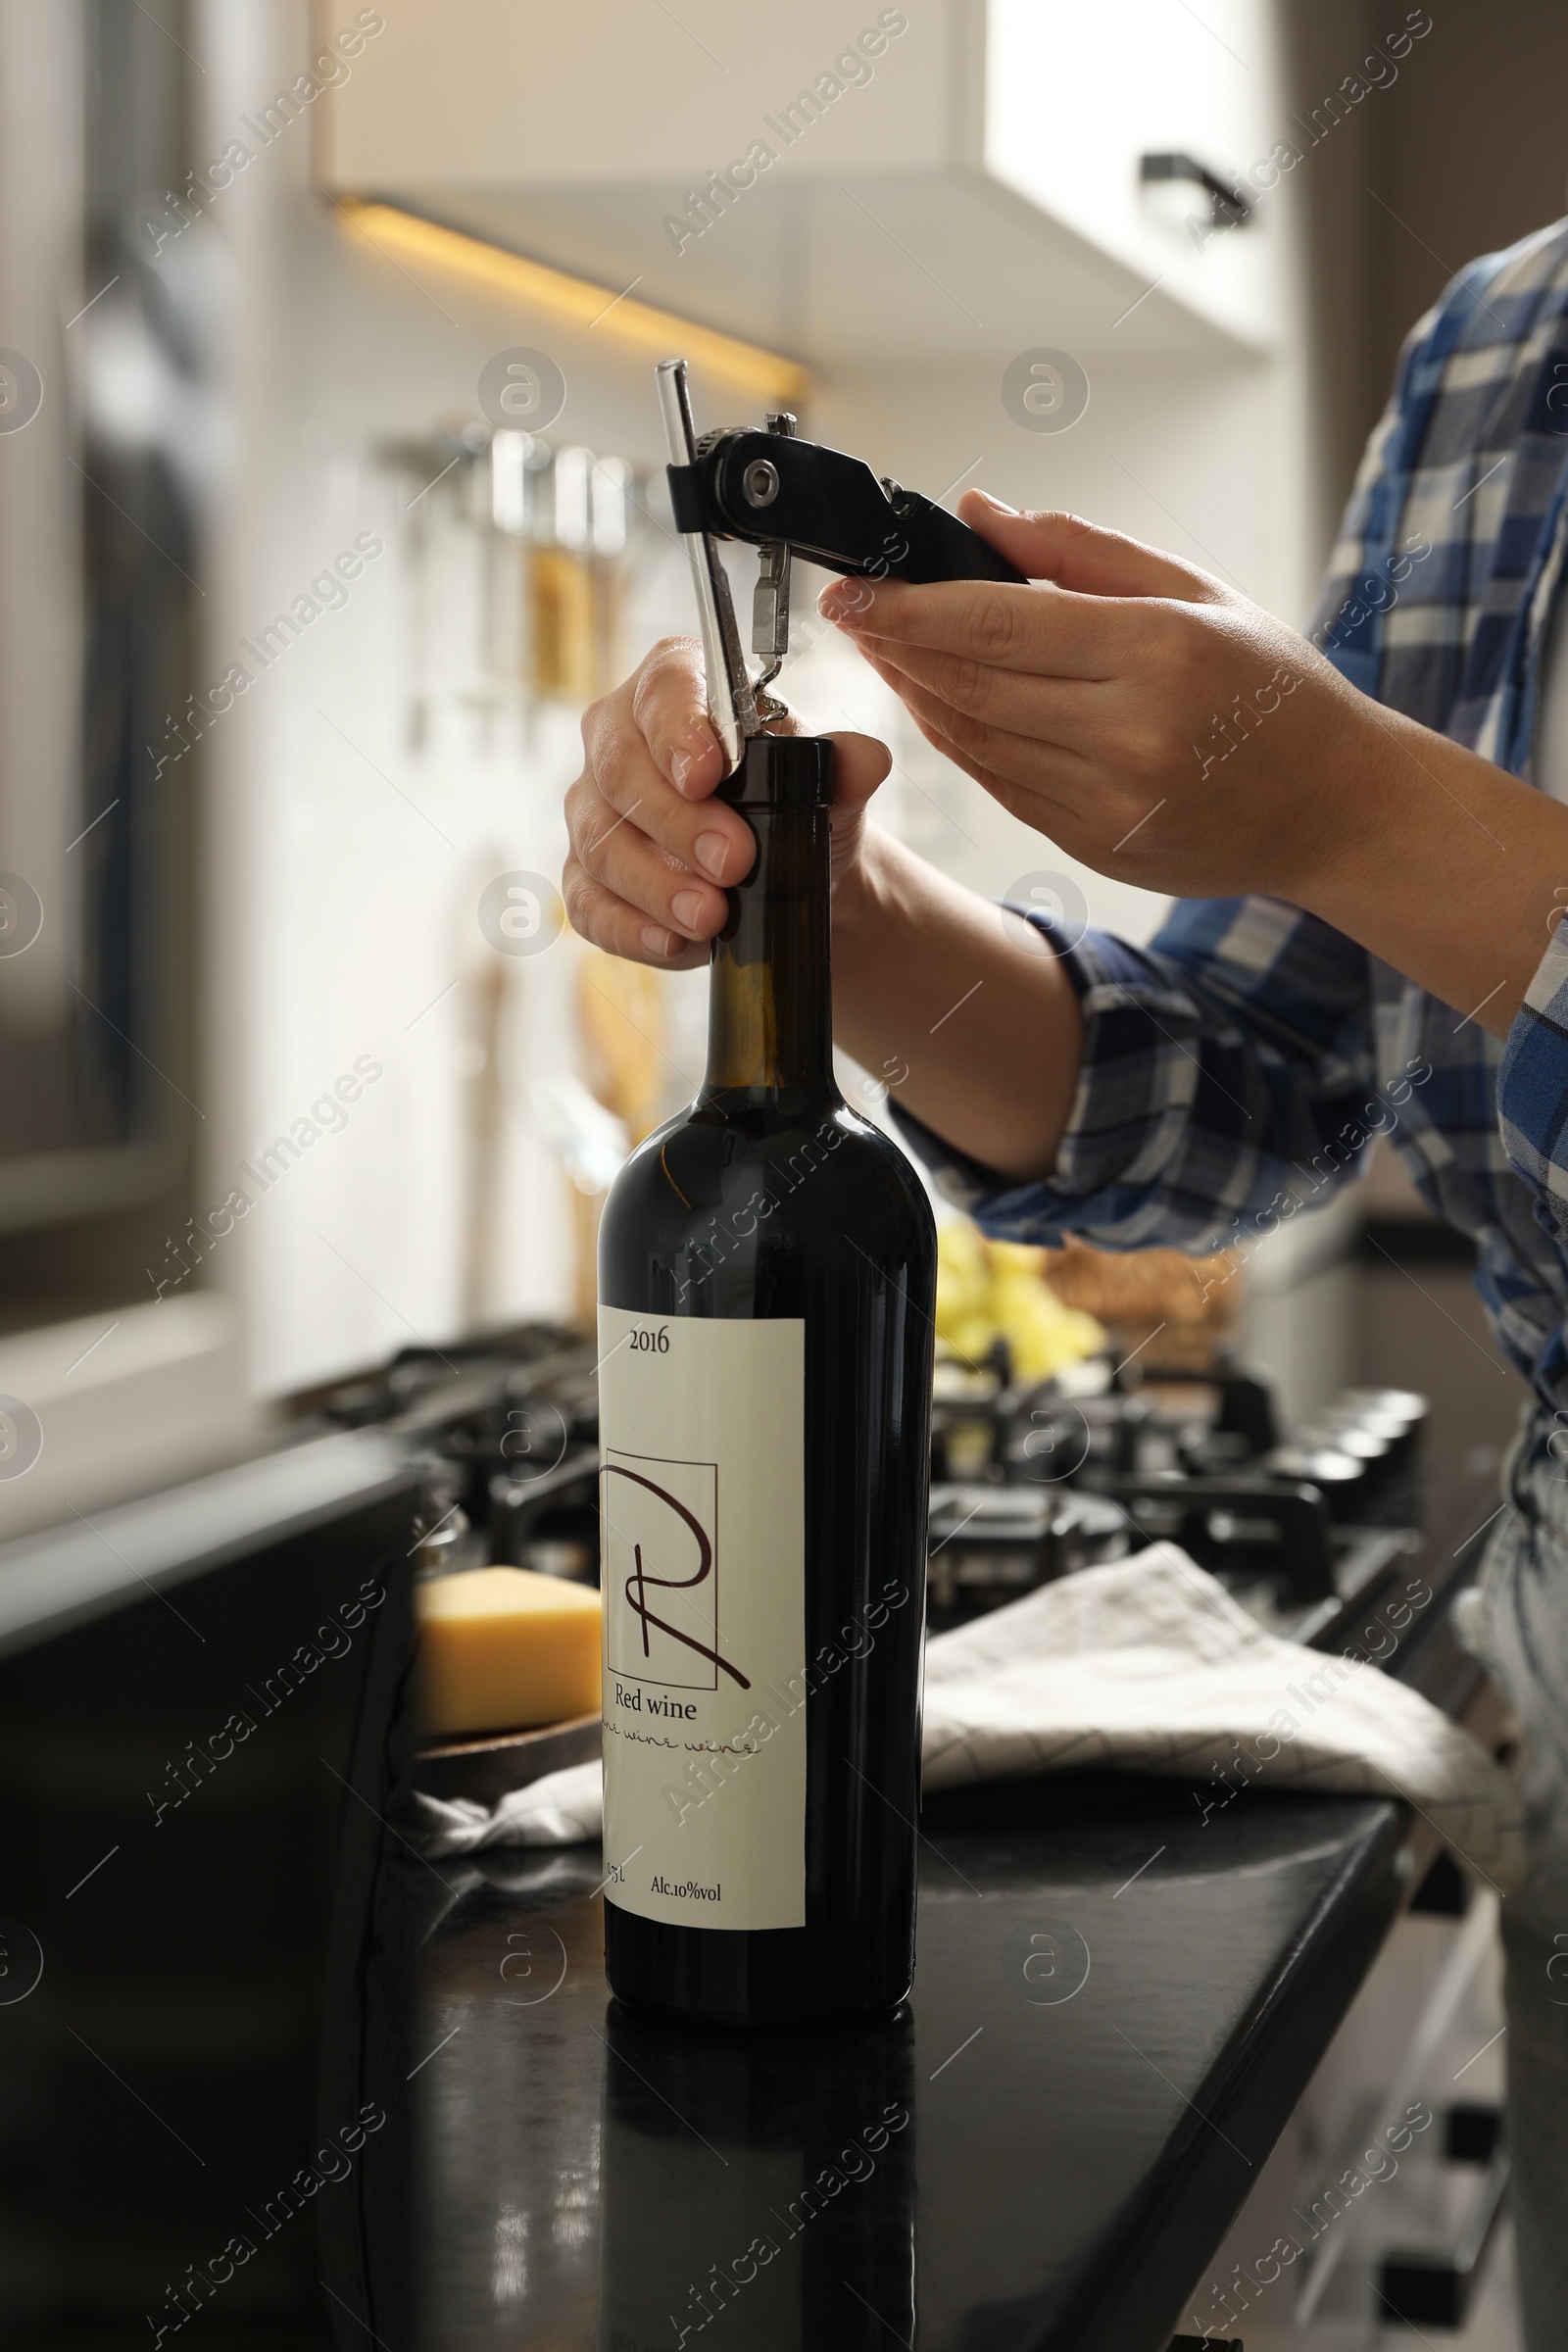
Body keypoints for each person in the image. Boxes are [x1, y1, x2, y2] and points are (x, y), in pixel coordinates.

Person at [564, 218, 1568, 2346]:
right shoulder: (1498, 350)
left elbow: (1367, 839)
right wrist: (845, 903)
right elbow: (1251, 1076)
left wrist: (1356, 795)